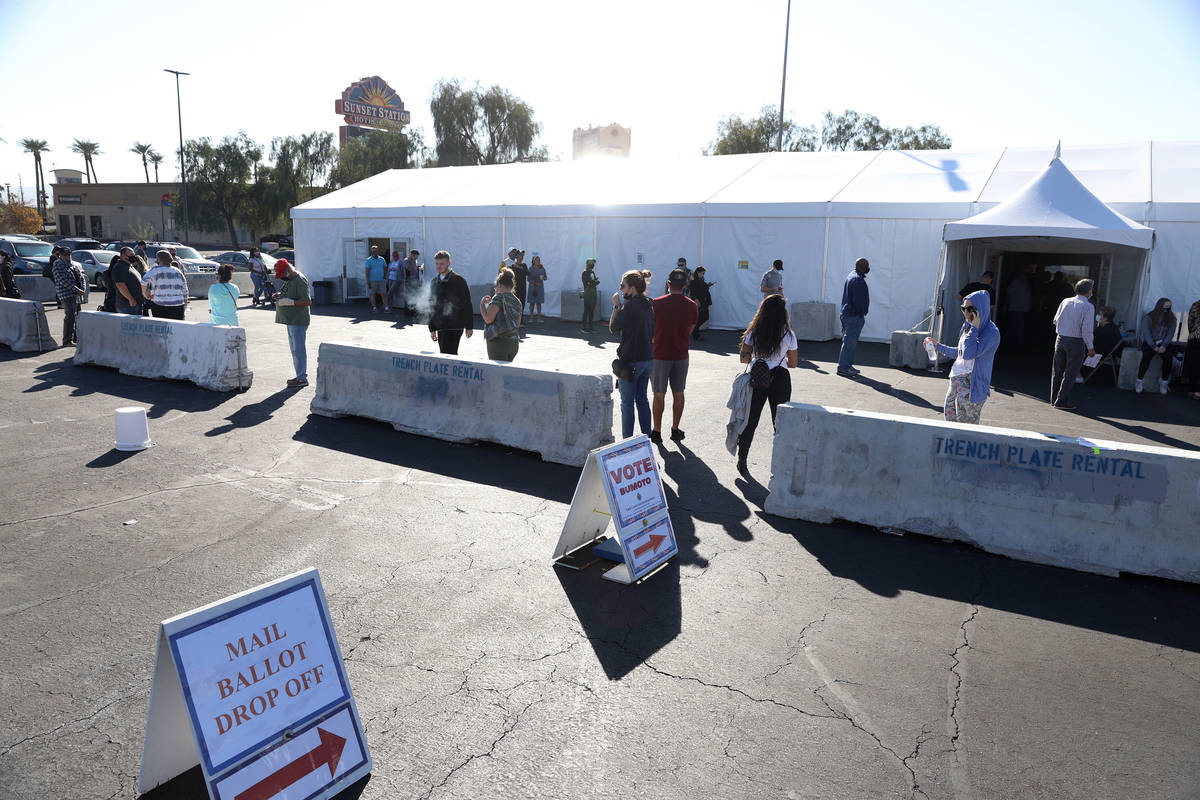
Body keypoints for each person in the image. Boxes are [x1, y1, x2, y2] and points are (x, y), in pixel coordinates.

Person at [736, 294, 798, 473]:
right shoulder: (788, 334)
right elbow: (793, 363)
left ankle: (742, 459)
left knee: (751, 419)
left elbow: (743, 358)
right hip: (780, 378)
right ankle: (781, 462)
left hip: (758, 377)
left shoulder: (754, 332)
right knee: (779, 422)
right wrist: (781, 356)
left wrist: (758, 356)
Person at [925, 290, 1000, 424]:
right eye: (963, 308)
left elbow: (969, 353)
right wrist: (938, 346)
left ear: (980, 308)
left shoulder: (991, 332)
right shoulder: (968, 326)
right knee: (950, 421)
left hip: (972, 384)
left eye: (969, 309)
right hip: (956, 379)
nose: (965, 312)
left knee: (966, 427)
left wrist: (975, 329)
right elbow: (960, 353)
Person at [649, 268, 698, 443]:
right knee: (679, 393)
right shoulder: (692, 305)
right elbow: (690, 329)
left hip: (659, 354)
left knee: (658, 394)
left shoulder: (656, 303)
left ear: (668, 284)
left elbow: (651, 330)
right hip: (680, 354)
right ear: (685, 285)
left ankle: (656, 431)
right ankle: (675, 429)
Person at [609, 269, 655, 439]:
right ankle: (646, 437)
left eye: (623, 286)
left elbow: (613, 327)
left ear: (632, 288)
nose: (621, 289)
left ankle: (627, 441)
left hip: (631, 361)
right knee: (642, 399)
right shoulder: (649, 304)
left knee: (627, 404)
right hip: (647, 359)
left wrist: (616, 305)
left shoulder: (629, 306)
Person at [1049, 278, 1096, 409]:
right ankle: (1061, 400)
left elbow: (1055, 320)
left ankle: (1054, 399)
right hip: (1076, 341)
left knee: (1057, 371)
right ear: (1088, 291)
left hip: (1060, 338)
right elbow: (1086, 330)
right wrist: (1090, 347)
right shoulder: (1088, 306)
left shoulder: (1066, 301)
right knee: (1070, 373)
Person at [272, 258, 312, 388]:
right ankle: (299, 375)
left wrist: (290, 302)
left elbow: (307, 301)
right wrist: (280, 295)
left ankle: (302, 378)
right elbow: (290, 294)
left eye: (282, 274)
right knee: (295, 350)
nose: (282, 277)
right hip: (291, 320)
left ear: (288, 270)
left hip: (298, 320)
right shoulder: (291, 279)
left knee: (298, 350)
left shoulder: (299, 280)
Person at [428, 250, 473, 355]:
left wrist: (469, 326)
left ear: (449, 263)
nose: (439, 266)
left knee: (450, 354)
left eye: (442, 264)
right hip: (441, 325)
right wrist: (432, 328)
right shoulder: (434, 282)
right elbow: (432, 305)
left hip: (455, 325)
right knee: (443, 354)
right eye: (437, 264)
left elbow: (467, 303)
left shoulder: (459, 280)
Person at [1135, 297, 1180, 394]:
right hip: (1150, 342)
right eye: (1164, 307)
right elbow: (1146, 333)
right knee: (1146, 357)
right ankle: (1139, 380)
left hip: (1163, 343)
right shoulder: (1149, 317)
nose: (1166, 309)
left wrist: (1164, 345)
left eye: (1168, 307)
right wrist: (1153, 346)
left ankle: (1164, 381)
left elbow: (1170, 334)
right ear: (1159, 306)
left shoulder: (1172, 319)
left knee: (1168, 358)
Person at [480, 268, 522, 362]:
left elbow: (488, 319)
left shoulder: (498, 298)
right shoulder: (517, 301)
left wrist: (482, 305)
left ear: (499, 285)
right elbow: (517, 324)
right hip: (514, 344)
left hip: (499, 343)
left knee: (496, 374)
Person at [837, 257, 870, 377]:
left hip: (846, 314)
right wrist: (862, 313)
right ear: (863, 267)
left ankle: (847, 365)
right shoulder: (858, 280)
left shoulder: (851, 275)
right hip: (853, 316)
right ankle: (843, 367)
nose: (868, 268)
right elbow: (858, 301)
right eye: (867, 266)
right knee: (849, 342)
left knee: (849, 342)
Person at [51, 247, 85, 346]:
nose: (68, 256)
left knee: (78, 316)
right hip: (67, 294)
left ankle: (77, 338)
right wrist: (76, 289)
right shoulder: (58, 264)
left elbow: (81, 276)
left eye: (69, 254)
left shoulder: (73, 264)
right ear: (60, 255)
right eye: (65, 254)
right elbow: (62, 280)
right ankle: (67, 341)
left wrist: (82, 288)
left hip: (77, 294)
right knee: (70, 317)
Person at [1079, 305, 1123, 383]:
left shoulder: (1105, 330)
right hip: (1108, 354)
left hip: (1102, 354)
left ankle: (1079, 374)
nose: (1098, 316)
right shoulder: (1112, 327)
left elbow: (1095, 344)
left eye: (1100, 314)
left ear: (1105, 318)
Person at [142, 250, 188, 319]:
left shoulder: (154, 270)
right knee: (176, 328)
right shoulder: (177, 271)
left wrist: (145, 294)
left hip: (160, 305)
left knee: (162, 327)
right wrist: (185, 305)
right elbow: (185, 290)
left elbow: (143, 281)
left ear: (159, 259)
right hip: (178, 305)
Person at [1005, 266, 1033, 350]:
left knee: (1019, 327)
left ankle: (1017, 344)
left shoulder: (1026, 283)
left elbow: (1029, 296)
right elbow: (1009, 295)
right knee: (1015, 327)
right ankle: (1014, 344)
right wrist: (1006, 306)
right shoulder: (1016, 283)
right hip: (1015, 308)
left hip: (1021, 308)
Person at [111, 247, 145, 315]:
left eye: (134, 255)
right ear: (123, 255)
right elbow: (120, 285)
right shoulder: (119, 267)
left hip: (135, 304)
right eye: (131, 255)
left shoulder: (129, 266)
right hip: (128, 306)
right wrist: (131, 299)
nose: (133, 257)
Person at [688, 267, 713, 341]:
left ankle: (695, 329)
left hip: (703, 301)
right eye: (702, 273)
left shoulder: (701, 279)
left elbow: (702, 288)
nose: (703, 274)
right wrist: (696, 299)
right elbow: (693, 290)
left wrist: (708, 285)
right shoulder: (694, 279)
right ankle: (695, 332)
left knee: (704, 317)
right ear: (698, 272)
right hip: (698, 300)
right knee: (700, 317)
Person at [1183, 299, 1200, 401]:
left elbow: (1190, 323)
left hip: (1195, 339)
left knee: (1194, 366)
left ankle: (1193, 390)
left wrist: (1193, 332)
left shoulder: (1196, 305)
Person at [363, 245, 387, 313]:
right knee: (373, 294)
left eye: (376, 251)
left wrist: (385, 277)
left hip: (381, 280)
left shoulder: (382, 259)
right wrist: (367, 280)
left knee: (384, 294)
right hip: (372, 280)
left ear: (377, 251)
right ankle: (374, 307)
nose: (374, 252)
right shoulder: (368, 260)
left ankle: (386, 307)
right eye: (373, 251)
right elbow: (367, 270)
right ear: (371, 251)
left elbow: (385, 268)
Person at [509, 249, 530, 323]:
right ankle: (514, 320)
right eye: (520, 255)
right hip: (515, 288)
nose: (521, 257)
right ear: (516, 256)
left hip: (523, 288)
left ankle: (520, 320)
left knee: (522, 304)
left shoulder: (524, 265)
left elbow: (528, 273)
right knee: (515, 304)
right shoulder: (512, 266)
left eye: (522, 255)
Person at [580, 258, 600, 332]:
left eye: (593, 264)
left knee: (591, 311)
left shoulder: (592, 272)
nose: (593, 265)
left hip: (593, 293)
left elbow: (593, 281)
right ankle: (584, 327)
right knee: (586, 310)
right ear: (587, 265)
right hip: (588, 293)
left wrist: (595, 281)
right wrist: (595, 282)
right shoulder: (585, 272)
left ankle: (590, 327)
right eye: (591, 264)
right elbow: (588, 283)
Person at [401, 249, 422, 316]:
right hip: (408, 281)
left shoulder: (415, 261)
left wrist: (419, 268)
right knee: (408, 297)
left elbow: (414, 269)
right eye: (416, 256)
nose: (417, 257)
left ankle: (413, 311)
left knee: (414, 296)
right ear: (412, 255)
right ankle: (407, 312)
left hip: (414, 281)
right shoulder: (406, 260)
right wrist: (413, 261)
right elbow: (409, 269)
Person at [528, 255, 547, 322]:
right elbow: (529, 279)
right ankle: (531, 318)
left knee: (539, 303)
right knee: (532, 303)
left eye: (539, 260)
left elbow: (545, 278)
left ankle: (539, 317)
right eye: (537, 260)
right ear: (533, 261)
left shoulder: (542, 268)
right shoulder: (530, 268)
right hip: (532, 287)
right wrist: (535, 283)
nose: (538, 261)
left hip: (540, 288)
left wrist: (543, 278)